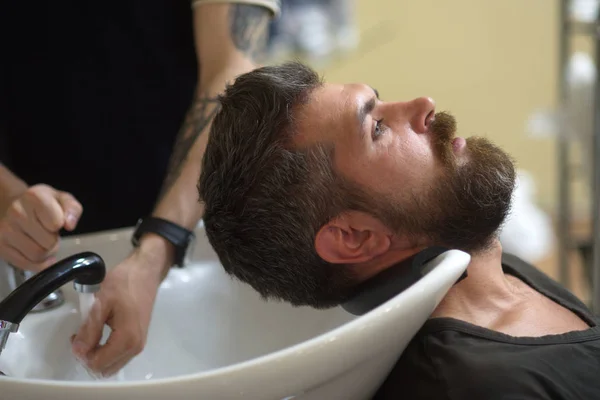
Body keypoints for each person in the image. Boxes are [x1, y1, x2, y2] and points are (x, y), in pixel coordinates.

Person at [198, 61, 600, 399]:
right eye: (377, 127)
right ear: (354, 237)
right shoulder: (480, 386)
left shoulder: (490, 269)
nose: (424, 105)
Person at [0, 0, 280, 376]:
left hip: (197, 226)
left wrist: (158, 246)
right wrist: (8, 199)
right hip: (29, 249)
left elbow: (234, 77)